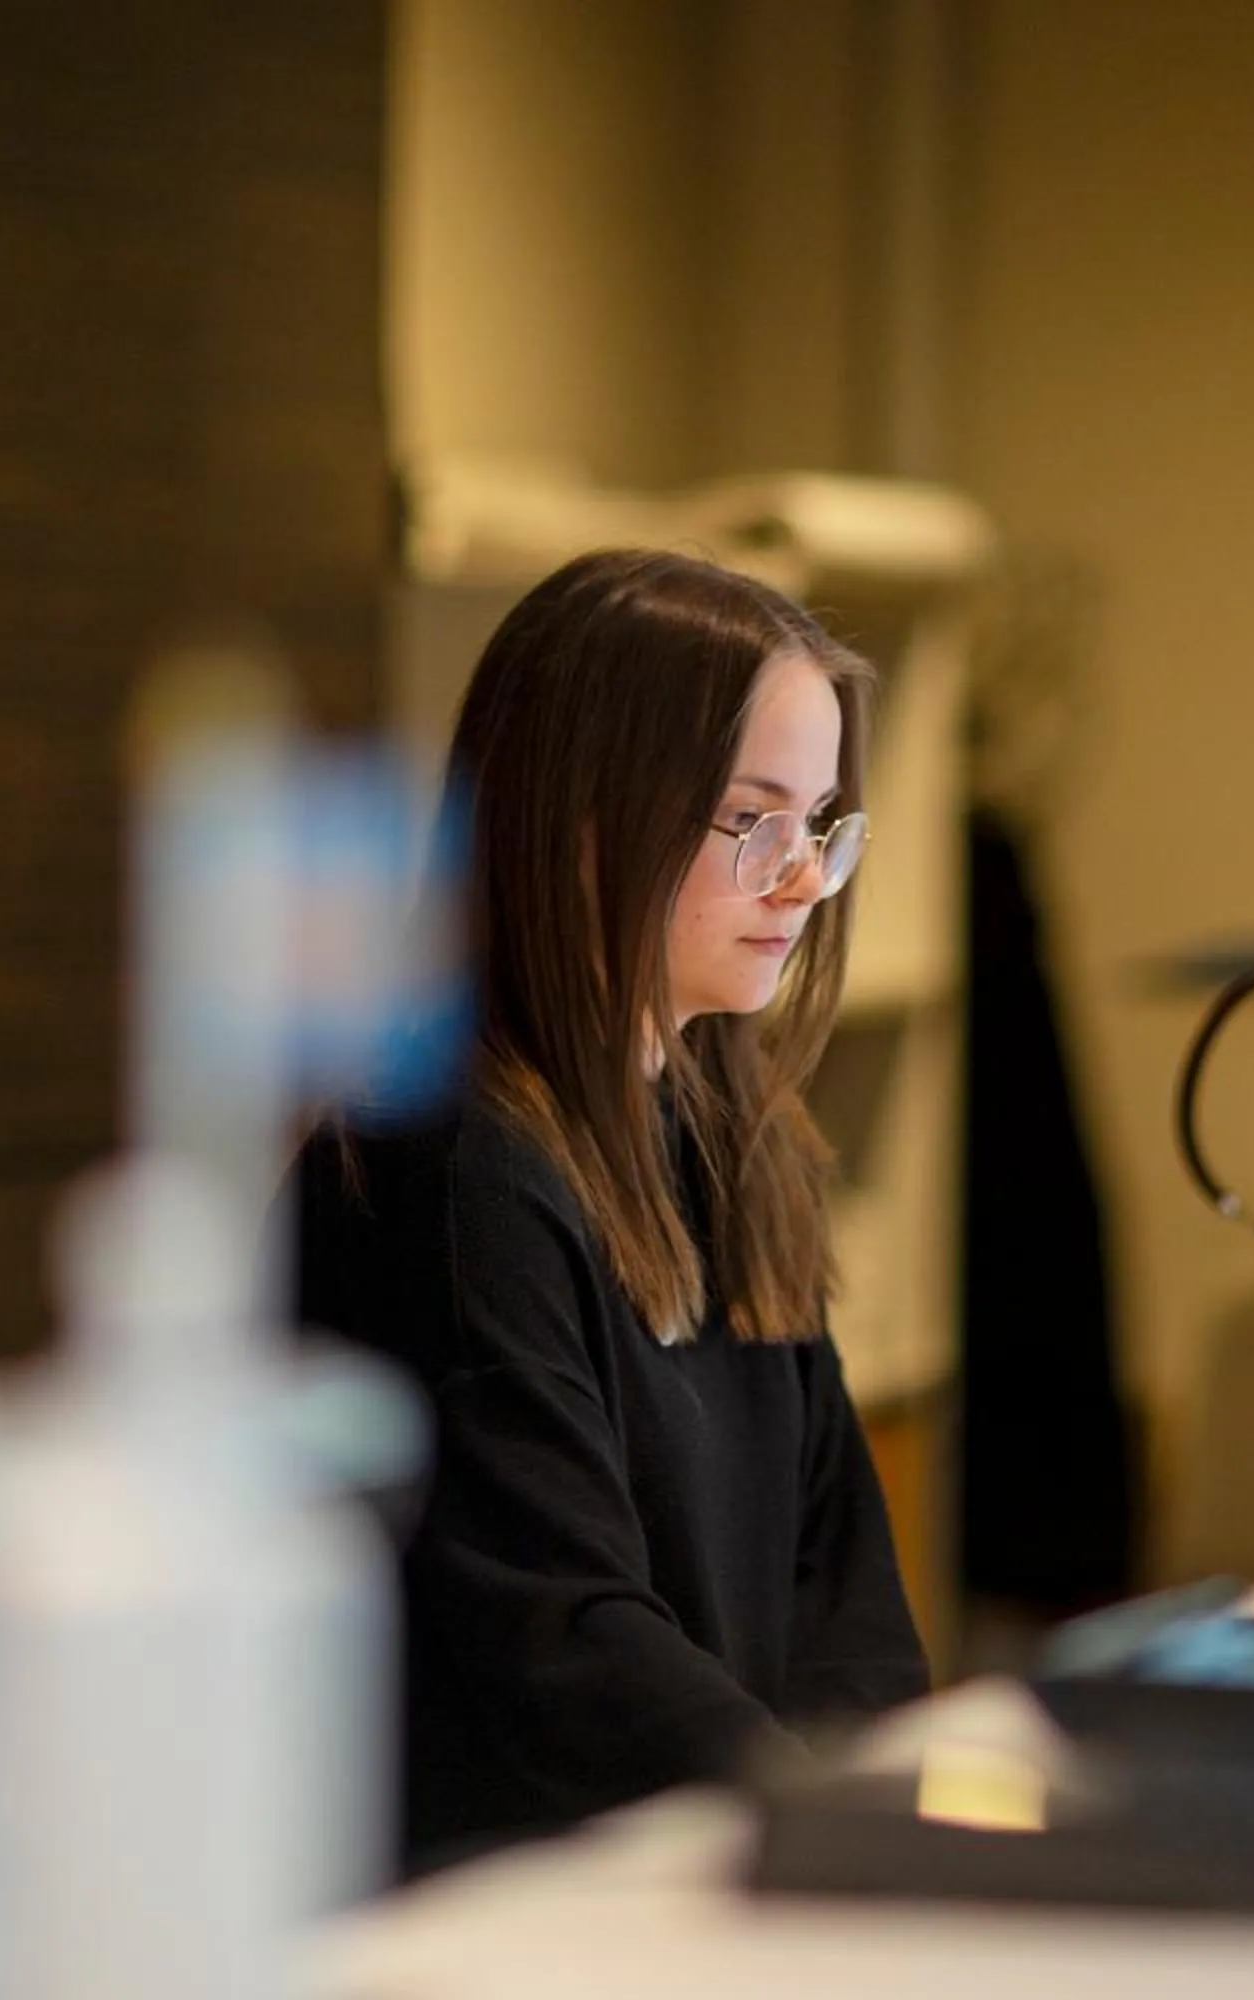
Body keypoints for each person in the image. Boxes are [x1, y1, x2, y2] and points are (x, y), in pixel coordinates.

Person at [289, 549, 928, 1878]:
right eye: (752, 820)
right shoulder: (450, 1168)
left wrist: (884, 1823)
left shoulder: (739, 1149)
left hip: (703, 1875)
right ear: (585, 816)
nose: (802, 880)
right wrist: (831, 1833)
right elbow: (566, 1648)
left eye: (818, 825)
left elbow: (843, 1598)